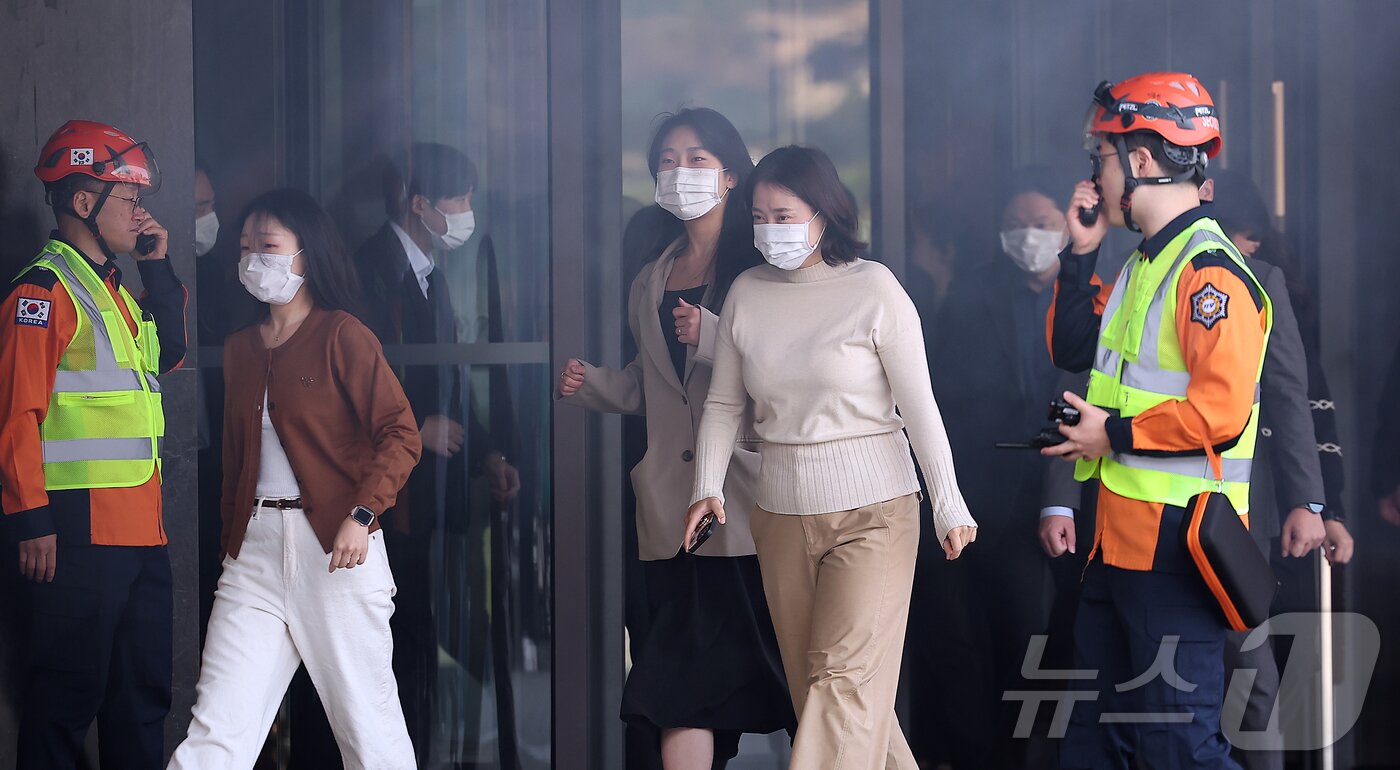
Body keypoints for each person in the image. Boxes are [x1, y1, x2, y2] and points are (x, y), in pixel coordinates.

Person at [683, 144, 977, 769]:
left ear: (824, 215)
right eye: (759, 216)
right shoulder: (746, 292)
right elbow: (723, 405)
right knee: (833, 698)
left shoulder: (874, 288)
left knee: (840, 688)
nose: (769, 230)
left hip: (875, 514)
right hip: (780, 517)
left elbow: (919, 405)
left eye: (784, 216)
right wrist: (706, 485)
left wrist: (949, 504)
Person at [1042, 73, 1271, 769]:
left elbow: (1220, 412)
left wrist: (1108, 433)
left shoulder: (1208, 274)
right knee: (1100, 745)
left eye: (1102, 158)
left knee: (1178, 746)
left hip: (1175, 550)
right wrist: (1079, 253)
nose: (1094, 176)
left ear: (1140, 162)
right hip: (1119, 548)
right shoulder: (1149, 262)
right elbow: (1073, 349)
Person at [558, 108, 793, 769]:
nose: (679, 172)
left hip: (751, 509)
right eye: (666, 160)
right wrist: (593, 386)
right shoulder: (652, 277)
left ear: (731, 176)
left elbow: (794, 367)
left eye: (696, 159)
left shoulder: (762, 263)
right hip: (672, 515)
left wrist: (715, 335)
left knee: (799, 687)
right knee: (676, 691)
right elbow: (652, 386)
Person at [168, 188, 421, 769]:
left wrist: (363, 515)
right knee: (216, 732)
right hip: (253, 558)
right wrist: (234, 545)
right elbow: (236, 462)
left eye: (269, 245)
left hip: (336, 553)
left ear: (306, 254)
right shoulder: (240, 349)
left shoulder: (342, 335)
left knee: (368, 732)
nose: (255, 257)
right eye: (246, 246)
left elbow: (401, 433)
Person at [0, 120, 186, 770]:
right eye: (129, 199)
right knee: (62, 706)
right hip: (76, 537)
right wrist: (30, 521)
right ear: (83, 203)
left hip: (142, 535)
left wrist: (156, 268)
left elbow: (170, 357)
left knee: (140, 704)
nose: (142, 212)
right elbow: (14, 415)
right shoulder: (44, 290)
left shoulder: (114, 291)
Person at [326, 141, 518, 767]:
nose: (466, 212)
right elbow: (358, 377)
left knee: (424, 629)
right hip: (391, 494)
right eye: (456, 199)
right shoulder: (371, 271)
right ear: (418, 204)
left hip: (436, 487)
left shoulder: (431, 272)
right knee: (397, 641)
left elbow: (454, 381)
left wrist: (486, 452)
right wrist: (420, 425)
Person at [912, 166, 1067, 768]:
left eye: (1041, 224)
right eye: (1015, 225)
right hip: (990, 500)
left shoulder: (1097, 296)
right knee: (992, 643)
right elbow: (944, 397)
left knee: (1058, 644)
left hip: (1071, 496)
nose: (1028, 236)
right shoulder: (973, 295)